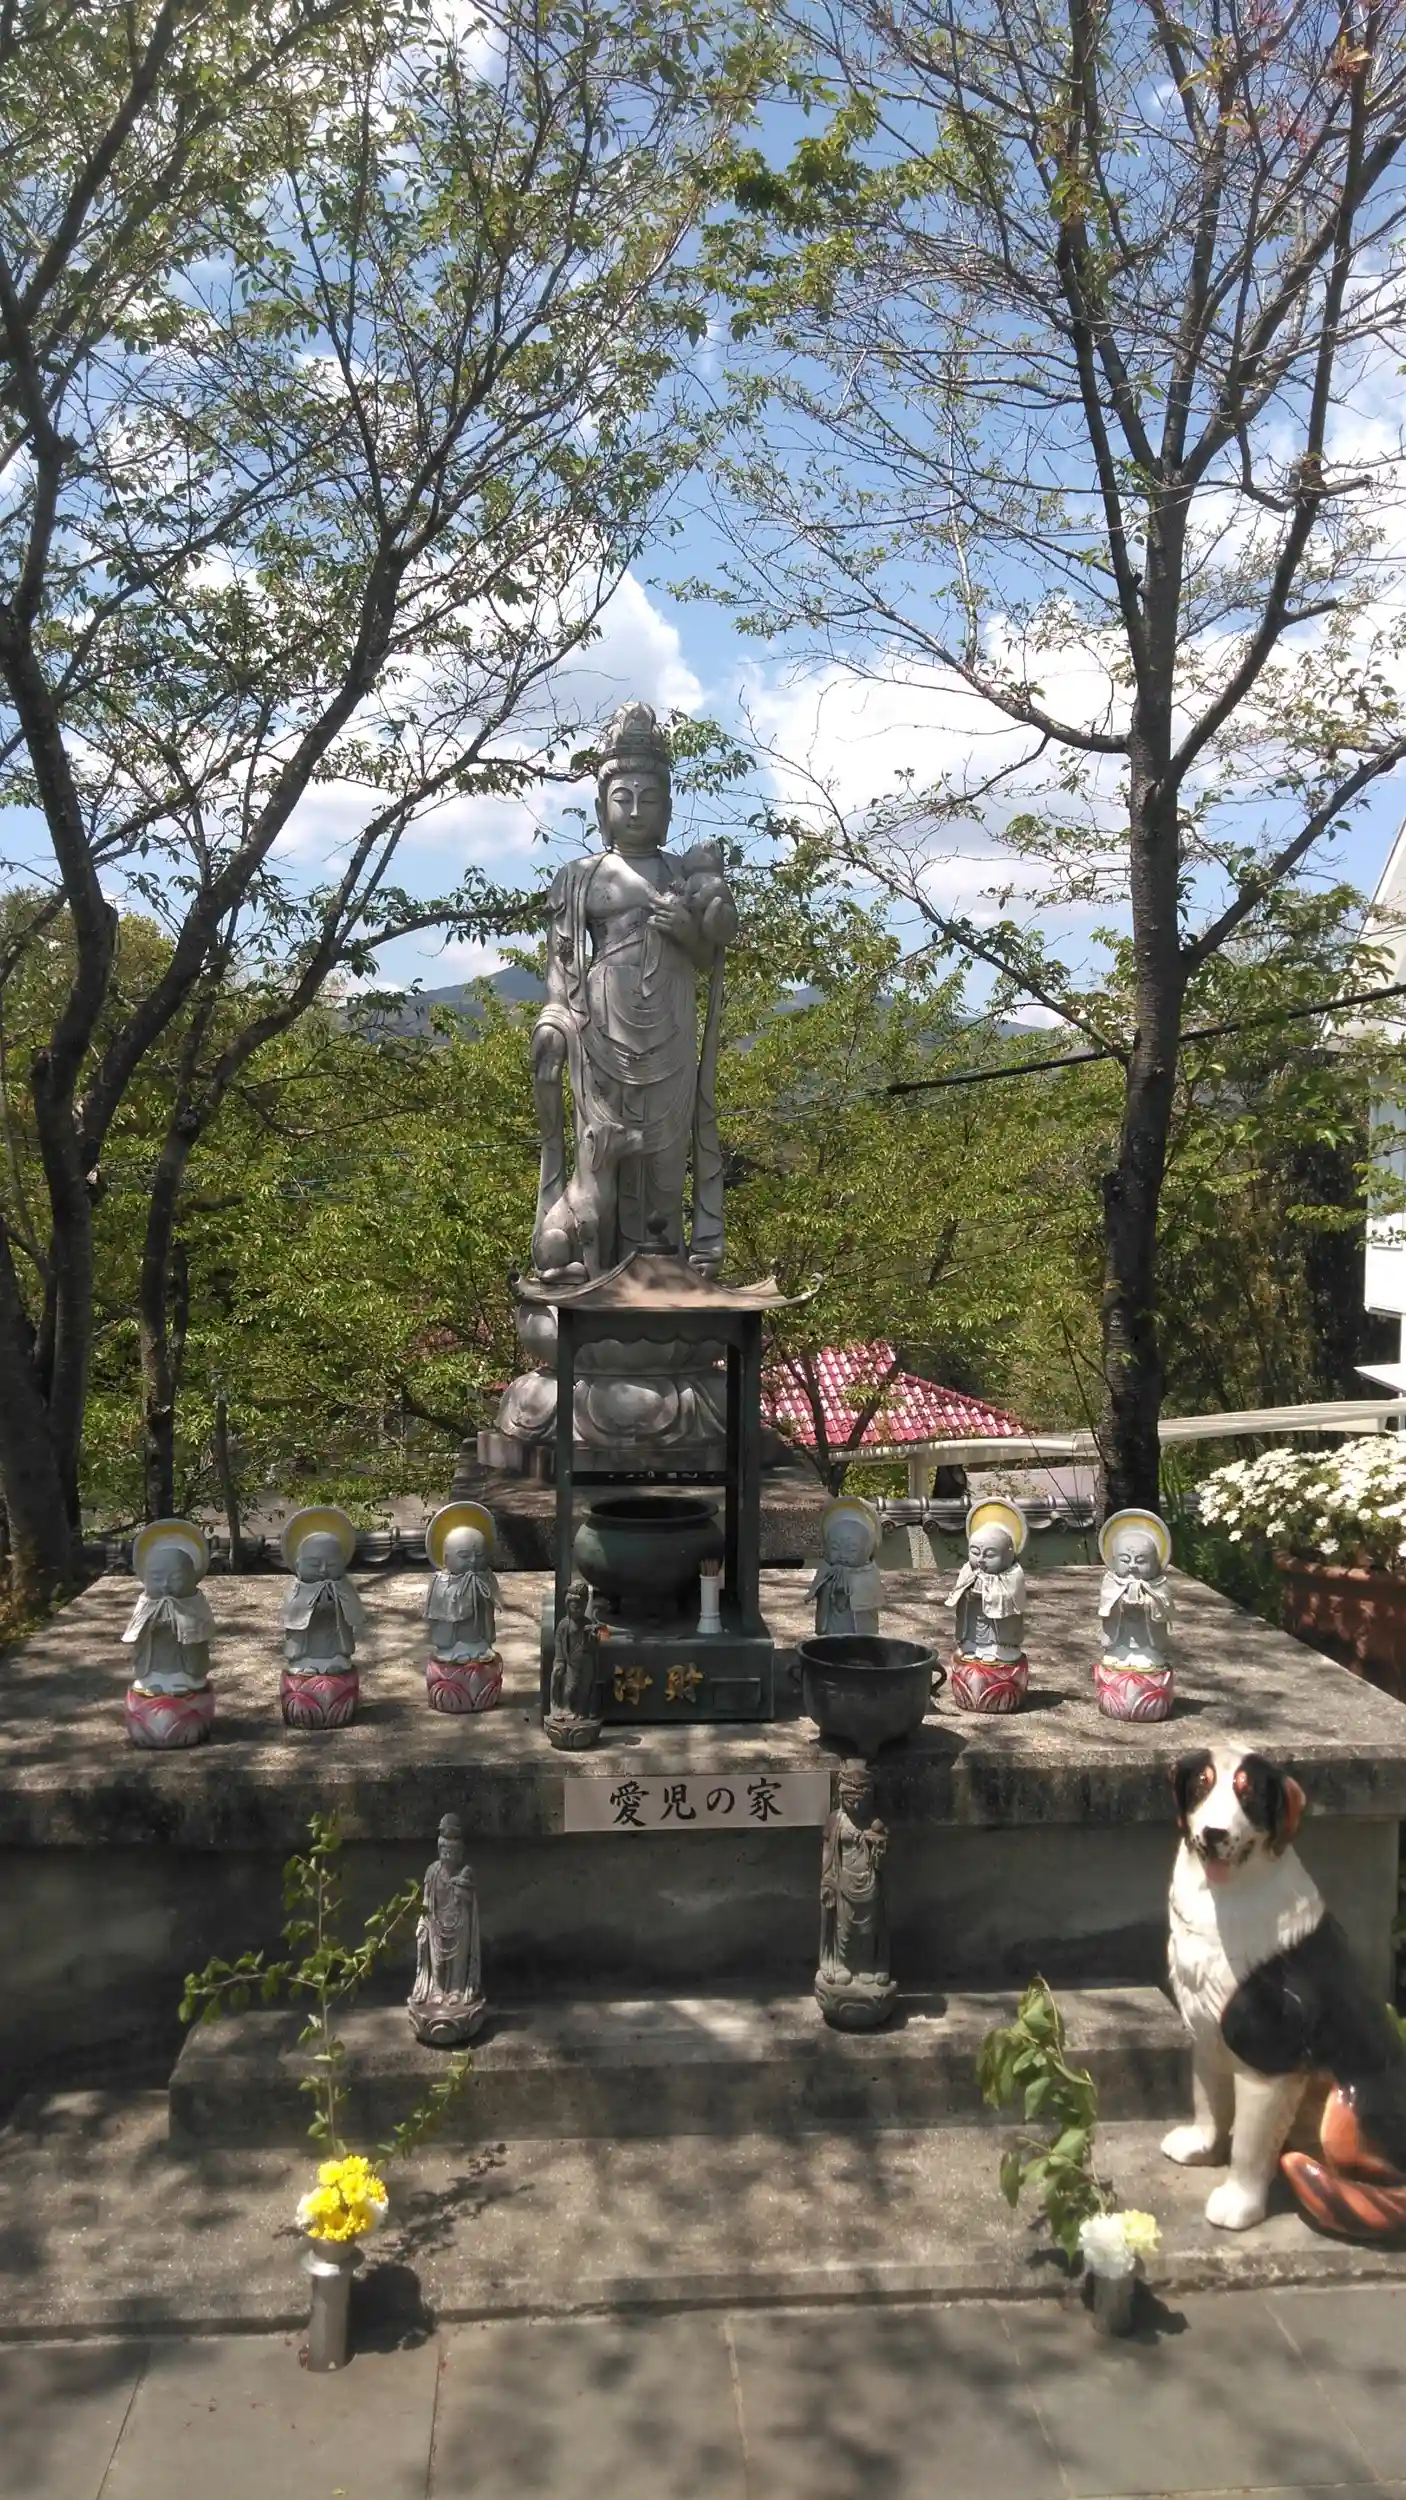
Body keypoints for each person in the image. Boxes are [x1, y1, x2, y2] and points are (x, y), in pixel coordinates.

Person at [529, 700, 738, 1281]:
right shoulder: (579, 877)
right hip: (600, 1029)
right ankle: (596, 1267)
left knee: (665, 1157)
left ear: (668, 807)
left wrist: (688, 934)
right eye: (623, 798)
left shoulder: (683, 875)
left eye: (650, 798)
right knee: (602, 1152)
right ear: (602, 806)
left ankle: (662, 1271)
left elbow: (710, 958)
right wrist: (553, 1021)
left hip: (670, 1024)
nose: (637, 809)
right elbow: (560, 968)